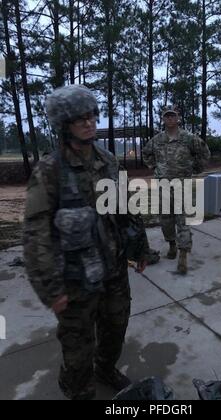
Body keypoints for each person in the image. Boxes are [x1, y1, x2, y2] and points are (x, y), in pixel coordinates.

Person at [23, 85, 148, 400]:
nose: (89, 122)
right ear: (64, 124)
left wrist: (140, 248)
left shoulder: (106, 160)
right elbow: (36, 231)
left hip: (113, 268)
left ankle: (105, 368)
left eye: (92, 115)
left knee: (115, 329)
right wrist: (50, 287)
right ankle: (77, 388)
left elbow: (124, 207)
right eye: (80, 118)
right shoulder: (49, 171)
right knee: (78, 348)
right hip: (75, 278)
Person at [143, 106, 210, 274]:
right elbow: (146, 153)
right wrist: (155, 168)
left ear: (178, 118)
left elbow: (204, 152)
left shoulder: (188, 138)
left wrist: (195, 168)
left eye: (173, 116)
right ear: (163, 119)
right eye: (167, 116)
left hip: (183, 184)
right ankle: (172, 244)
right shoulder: (157, 140)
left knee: (183, 220)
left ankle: (183, 255)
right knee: (166, 219)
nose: (170, 119)